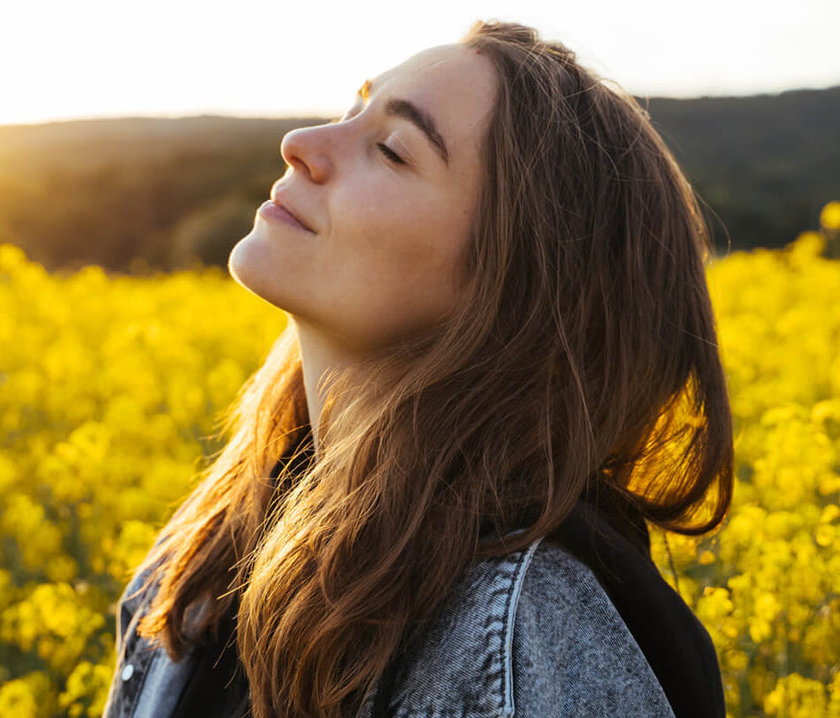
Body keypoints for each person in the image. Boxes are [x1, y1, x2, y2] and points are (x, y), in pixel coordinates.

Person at [102, 18, 734, 718]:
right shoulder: (206, 551)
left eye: (393, 150)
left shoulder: (531, 632)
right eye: (350, 111)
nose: (300, 145)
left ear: (512, 285)